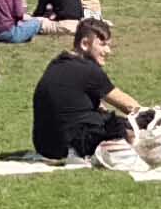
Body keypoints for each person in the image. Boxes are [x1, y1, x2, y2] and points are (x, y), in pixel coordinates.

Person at [29, 16, 135, 161]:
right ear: (85, 44)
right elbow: (131, 107)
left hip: (45, 146)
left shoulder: (56, 64)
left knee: (111, 120)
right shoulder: (89, 71)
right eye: (103, 45)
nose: (108, 51)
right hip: (74, 144)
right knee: (130, 126)